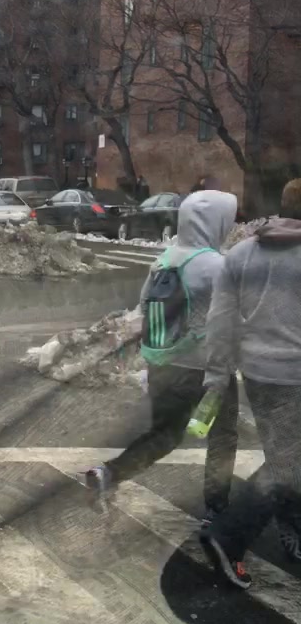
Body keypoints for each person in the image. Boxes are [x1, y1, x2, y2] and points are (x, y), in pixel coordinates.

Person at [83, 190, 240, 518]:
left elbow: (143, 307)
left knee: (165, 434)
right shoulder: (216, 265)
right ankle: (217, 508)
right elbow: (235, 315)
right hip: (208, 370)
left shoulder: (164, 260)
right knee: (222, 437)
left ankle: (109, 472)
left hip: (165, 367)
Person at [197, 178, 301, 589]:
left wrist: (216, 375)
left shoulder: (241, 254)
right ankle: (228, 537)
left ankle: (293, 529)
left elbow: (219, 321)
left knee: (284, 455)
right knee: (288, 462)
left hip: (258, 376)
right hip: (295, 377)